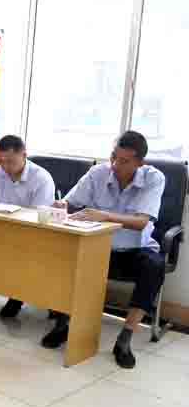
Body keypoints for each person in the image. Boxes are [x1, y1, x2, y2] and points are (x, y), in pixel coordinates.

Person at [41, 131, 166, 369]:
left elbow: (141, 221)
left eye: (124, 161)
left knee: (154, 266)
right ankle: (63, 323)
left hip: (134, 250)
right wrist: (61, 204)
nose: (115, 164)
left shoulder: (153, 178)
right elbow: (71, 202)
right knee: (62, 254)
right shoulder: (98, 173)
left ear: (140, 163)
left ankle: (125, 337)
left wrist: (104, 215)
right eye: (113, 157)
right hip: (96, 245)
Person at [0, 135, 56, 318]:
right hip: (3, 229)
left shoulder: (41, 179)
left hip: (34, 234)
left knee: (21, 251)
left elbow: (39, 216)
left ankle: (18, 295)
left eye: (10, 161)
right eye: (1, 161)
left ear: (24, 155)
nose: (5, 167)